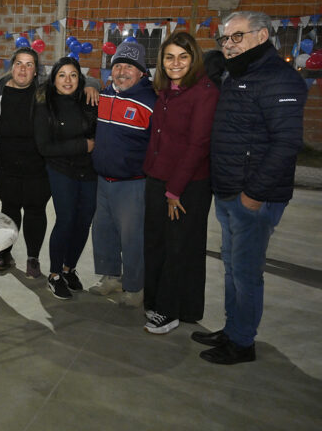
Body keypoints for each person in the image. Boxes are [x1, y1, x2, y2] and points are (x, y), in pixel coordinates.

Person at [192, 11, 307, 364]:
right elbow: (211, 62)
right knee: (232, 267)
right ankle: (232, 329)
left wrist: (254, 194)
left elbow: (286, 145)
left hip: (254, 197)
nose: (228, 44)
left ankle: (242, 343)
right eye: (224, 38)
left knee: (246, 273)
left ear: (261, 37)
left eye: (237, 37)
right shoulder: (237, 72)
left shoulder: (278, 79)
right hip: (229, 191)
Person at [142, 31, 219, 334]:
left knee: (178, 248)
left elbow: (198, 145)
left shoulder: (205, 92)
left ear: (194, 59)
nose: (175, 63)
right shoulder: (165, 89)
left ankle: (169, 309)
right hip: (158, 176)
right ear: (161, 61)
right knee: (156, 243)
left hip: (187, 185)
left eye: (183, 57)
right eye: (169, 57)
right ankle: (169, 303)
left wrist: (175, 190)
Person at [88, 41, 157, 308]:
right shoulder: (104, 95)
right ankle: (111, 277)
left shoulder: (150, 103)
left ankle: (135, 286)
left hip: (133, 184)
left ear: (142, 72)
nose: (122, 71)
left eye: (129, 66)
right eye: (118, 66)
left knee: (132, 239)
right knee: (103, 232)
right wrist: (90, 83)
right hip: (102, 180)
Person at [33, 57, 98, 300]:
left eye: (73, 75)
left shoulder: (88, 98)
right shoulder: (44, 103)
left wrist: (94, 86)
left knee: (84, 220)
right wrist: (83, 145)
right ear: (54, 79)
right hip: (61, 169)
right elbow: (45, 147)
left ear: (79, 78)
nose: (67, 80)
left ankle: (69, 268)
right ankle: (55, 274)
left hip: (89, 170)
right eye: (62, 75)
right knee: (66, 219)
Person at [0, 47, 50, 278]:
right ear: (11, 66)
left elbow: (78, 82)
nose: (23, 69)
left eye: (29, 64)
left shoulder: (45, 92)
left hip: (38, 168)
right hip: (7, 167)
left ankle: (33, 258)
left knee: (35, 211)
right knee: (9, 210)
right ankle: (5, 253)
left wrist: (92, 85)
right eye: (19, 63)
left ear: (36, 71)